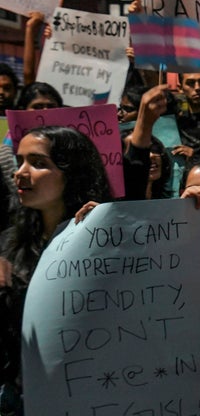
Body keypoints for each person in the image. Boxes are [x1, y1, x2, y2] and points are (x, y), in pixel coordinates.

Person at [0, 126, 113, 414]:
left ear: (72, 173)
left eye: (38, 163)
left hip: (95, 392)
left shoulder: (111, 239)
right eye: (20, 160)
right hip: (23, 394)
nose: (20, 172)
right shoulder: (8, 244)